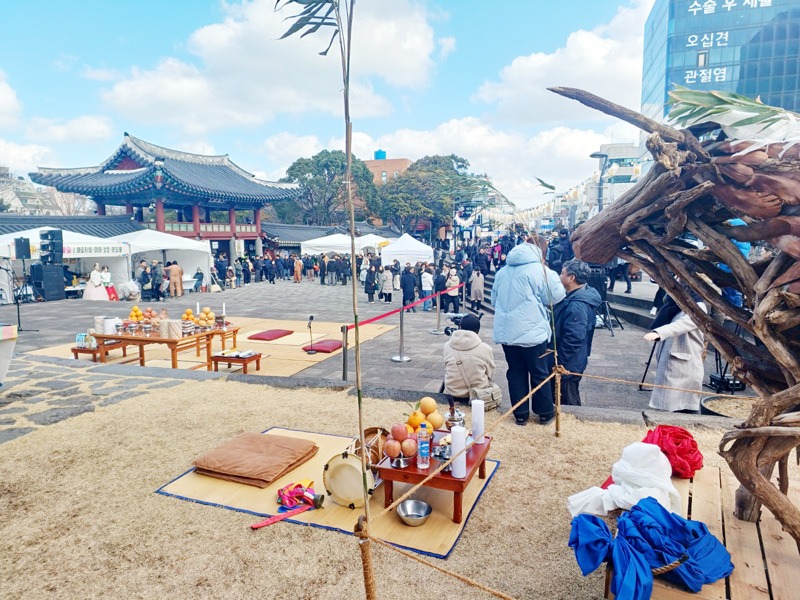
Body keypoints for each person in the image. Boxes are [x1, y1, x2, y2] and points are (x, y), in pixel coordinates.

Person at [492, 236, 566, 426]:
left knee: (515, 371)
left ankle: (520, 414)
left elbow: (494, 300)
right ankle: (545, 412)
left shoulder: (502, 272)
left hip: (507, 332)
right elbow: (556, 297)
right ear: (542, 251)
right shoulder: (541, 270)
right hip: (533, 331)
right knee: (539, 371)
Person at [644, 288, 707, 413]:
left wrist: (659, 332)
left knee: (685, 404)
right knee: (670, 402)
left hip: (685, 362)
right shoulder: (675, 306)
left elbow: (682, 324)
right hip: (672, 358)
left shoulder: (698, 306)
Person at [553, 259, 602, 406]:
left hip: (569, 363)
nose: (559, 275)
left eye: (562, 273)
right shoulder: (579, 295)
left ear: (571, 278)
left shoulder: (577, 305)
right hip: (574, 359)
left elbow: (574, 337)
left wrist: (559, 360)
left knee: (568, 400)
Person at [443, 314, 496, 405]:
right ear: (477, 331)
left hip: (452, 392)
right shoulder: (486, 349)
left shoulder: (447, 346)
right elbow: (490, 373)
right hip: (478, 394)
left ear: (460, 327)